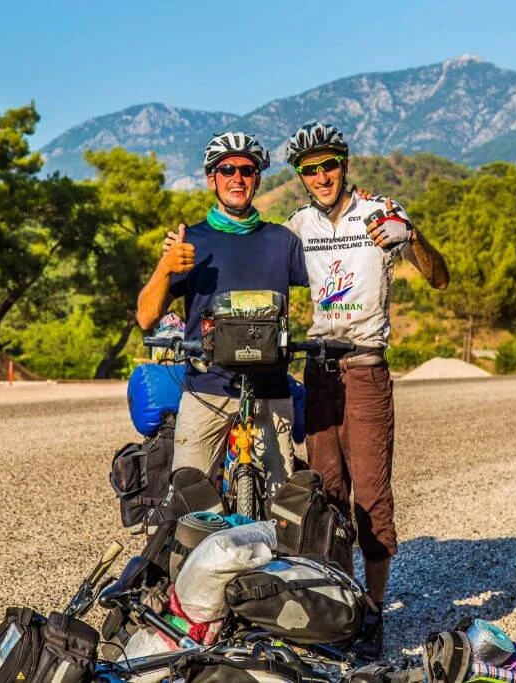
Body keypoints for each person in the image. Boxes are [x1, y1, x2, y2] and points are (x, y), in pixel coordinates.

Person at [284, 121, 450, 659]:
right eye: (310, 169)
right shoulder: (297, 225)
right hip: (319, 372)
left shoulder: (381, 212)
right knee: (326, 495)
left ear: (344, 164)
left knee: (371, 496)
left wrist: (415, 238)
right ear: (302, 178)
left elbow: (440, 278)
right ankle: (337, 607)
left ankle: (373, 612)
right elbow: (263, 276)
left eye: (329, 164)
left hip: (365, 368)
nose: (321, 175)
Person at [135, 131, 308, 490]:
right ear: (211, 179)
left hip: (271, 390)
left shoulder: (283, 242)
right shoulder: (190, 242)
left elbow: (332, 278)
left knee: (283, 509)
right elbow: (145, 317)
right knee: (187, 500)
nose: (237, 178)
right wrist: (165, 267)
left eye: (247, 170)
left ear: (258, 178)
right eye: (227, 169)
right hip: (206, 389)